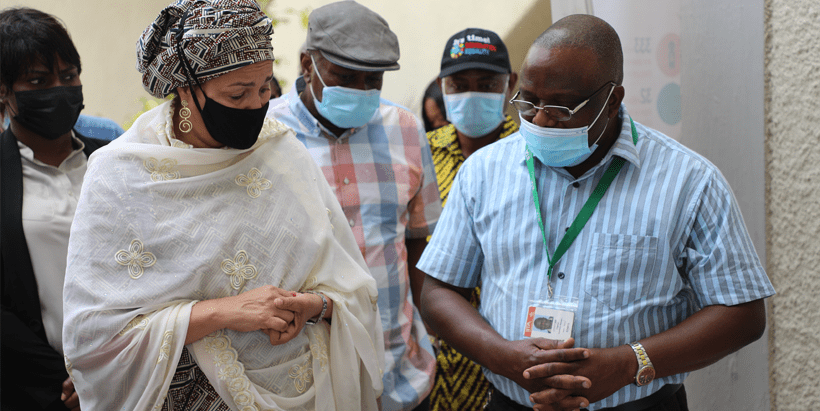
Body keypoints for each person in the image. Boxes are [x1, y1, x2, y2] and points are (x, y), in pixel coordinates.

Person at [417, 14, 775, 411]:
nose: (540, 119)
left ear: (612, 101)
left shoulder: (689, 181)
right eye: (529, 101)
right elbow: (438, 292)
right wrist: (504, 357)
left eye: (562, 108)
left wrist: (628, 364)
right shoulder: (483, 171)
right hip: (511, 401)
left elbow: (742, 313)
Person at [61, 1, 383, 410]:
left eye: (264, 88)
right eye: (237, 93)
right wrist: (224, 312)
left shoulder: (283, 153)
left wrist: (314, 306)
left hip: (312, 389)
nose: (255, 105)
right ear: (186, 89)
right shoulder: (122, 175)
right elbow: (94, 335)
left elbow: (351, 285)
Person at [267, 2, 441, 410]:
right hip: (305, 377)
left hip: (401, 372)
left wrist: (429, 330)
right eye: (344, 77)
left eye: (372, 80)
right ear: (308, 64)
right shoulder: (266, 135)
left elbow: (418, 242)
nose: (361, 90)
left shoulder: (405, 130)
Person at [0, 8, 108, 411]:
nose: (60, 90)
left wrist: (110, 370)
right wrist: (62, 381)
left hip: (130, 373)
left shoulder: (114, 161)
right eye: (38, 81)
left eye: (69, 75)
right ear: (3, 91)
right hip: (39, 390)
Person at [424, 28, 518, 411]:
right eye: (459, 85)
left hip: (512, 353)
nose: (472, 95)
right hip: (435, 358)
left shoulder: (532, 155)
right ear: (442, 86)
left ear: (510, 84)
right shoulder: (421, 154)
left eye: (487, 84)